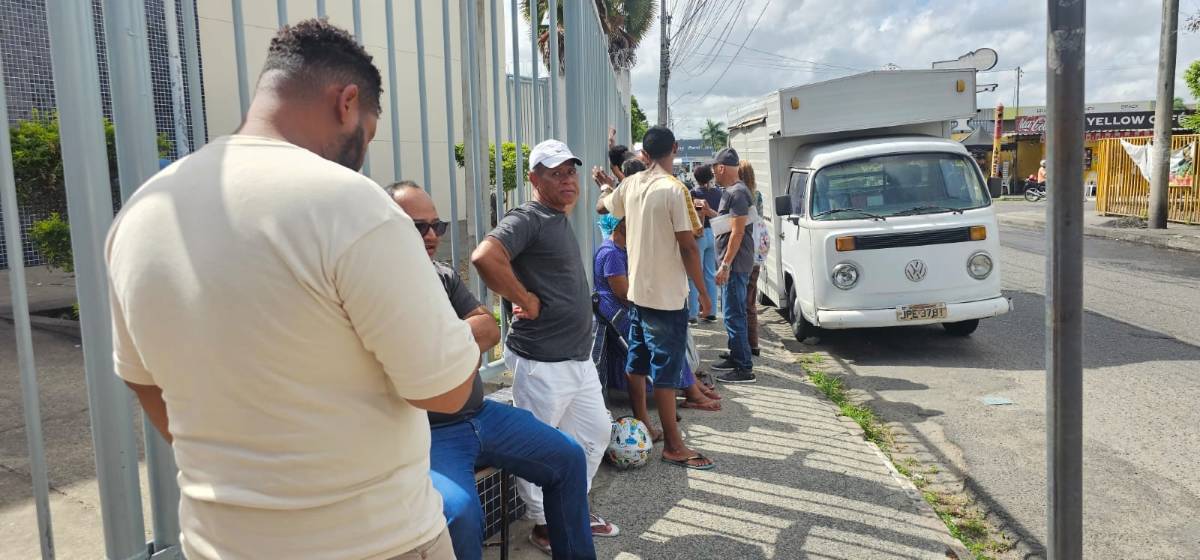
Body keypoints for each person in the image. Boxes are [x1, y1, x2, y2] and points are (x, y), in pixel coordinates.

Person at [106, 20, 479, 559]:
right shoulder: (353, 206)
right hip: (373, 541)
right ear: (347, 102)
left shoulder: (140, 212)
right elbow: (444, 390)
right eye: (366, 137)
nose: (361, 156)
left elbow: (143, 383)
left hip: (218, 543)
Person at [388, 182, 596, 559]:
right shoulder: (375, 289)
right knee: (461, 514)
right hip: (433, 431)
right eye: (418, 227)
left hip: (482, 413)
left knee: (568, 457)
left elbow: (488, 328)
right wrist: (459, 341)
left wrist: (437, 343)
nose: (432, 235)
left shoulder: (443, 276)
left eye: (438, 226)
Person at [471, 139, 620, 546]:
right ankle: (544, 524)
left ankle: (569, 506)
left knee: (595, 434)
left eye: (570, 171)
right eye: (556, 174)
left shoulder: (557, 216)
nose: (568, 180)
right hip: (541, 361)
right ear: (535, 179)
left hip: (575, 357)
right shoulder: (530, 216)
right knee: (539, 447)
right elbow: (485, 256)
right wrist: (524, 299)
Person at [597, 125, 716, 470]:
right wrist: (705, 294)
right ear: (675, 148)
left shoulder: (631, 184)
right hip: (666, 297)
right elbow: (687, 245)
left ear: (644, 155)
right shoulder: (673, 188)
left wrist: (607, 185)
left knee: (637, 362)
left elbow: (602, 207)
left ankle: (644, 426)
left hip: (637, 293)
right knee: (665, 370)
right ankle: (675, 445)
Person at [593, 215, 720, 414]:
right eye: (629, 220)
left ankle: (692, 385)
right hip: (619, 314)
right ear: (619, 225)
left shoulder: (619, 250)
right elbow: (623, 293)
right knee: (663, 336)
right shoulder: (611, 253)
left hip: (624, 311)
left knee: (666, 334)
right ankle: (692, 390)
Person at [710, 147, 757, 384]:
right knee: (731, 313)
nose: (713, 174)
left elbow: (738, 232)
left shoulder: (738, 193)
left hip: (736, 266)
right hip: (733, 264)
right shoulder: (733, 191)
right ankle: (735, 355)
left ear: (721, 168)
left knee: (734, 314)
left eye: (714, 169)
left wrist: (726, 264)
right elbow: (728, 226)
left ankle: (743, 367)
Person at [688, 163, 721, 323]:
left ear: (696, 178)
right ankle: (711, 312)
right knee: (709, 275)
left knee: (695, 275)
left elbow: (699, 214)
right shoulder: (718, 193)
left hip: (700, 235)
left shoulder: (695, 193)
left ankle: (693, 313)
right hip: (713, 234)